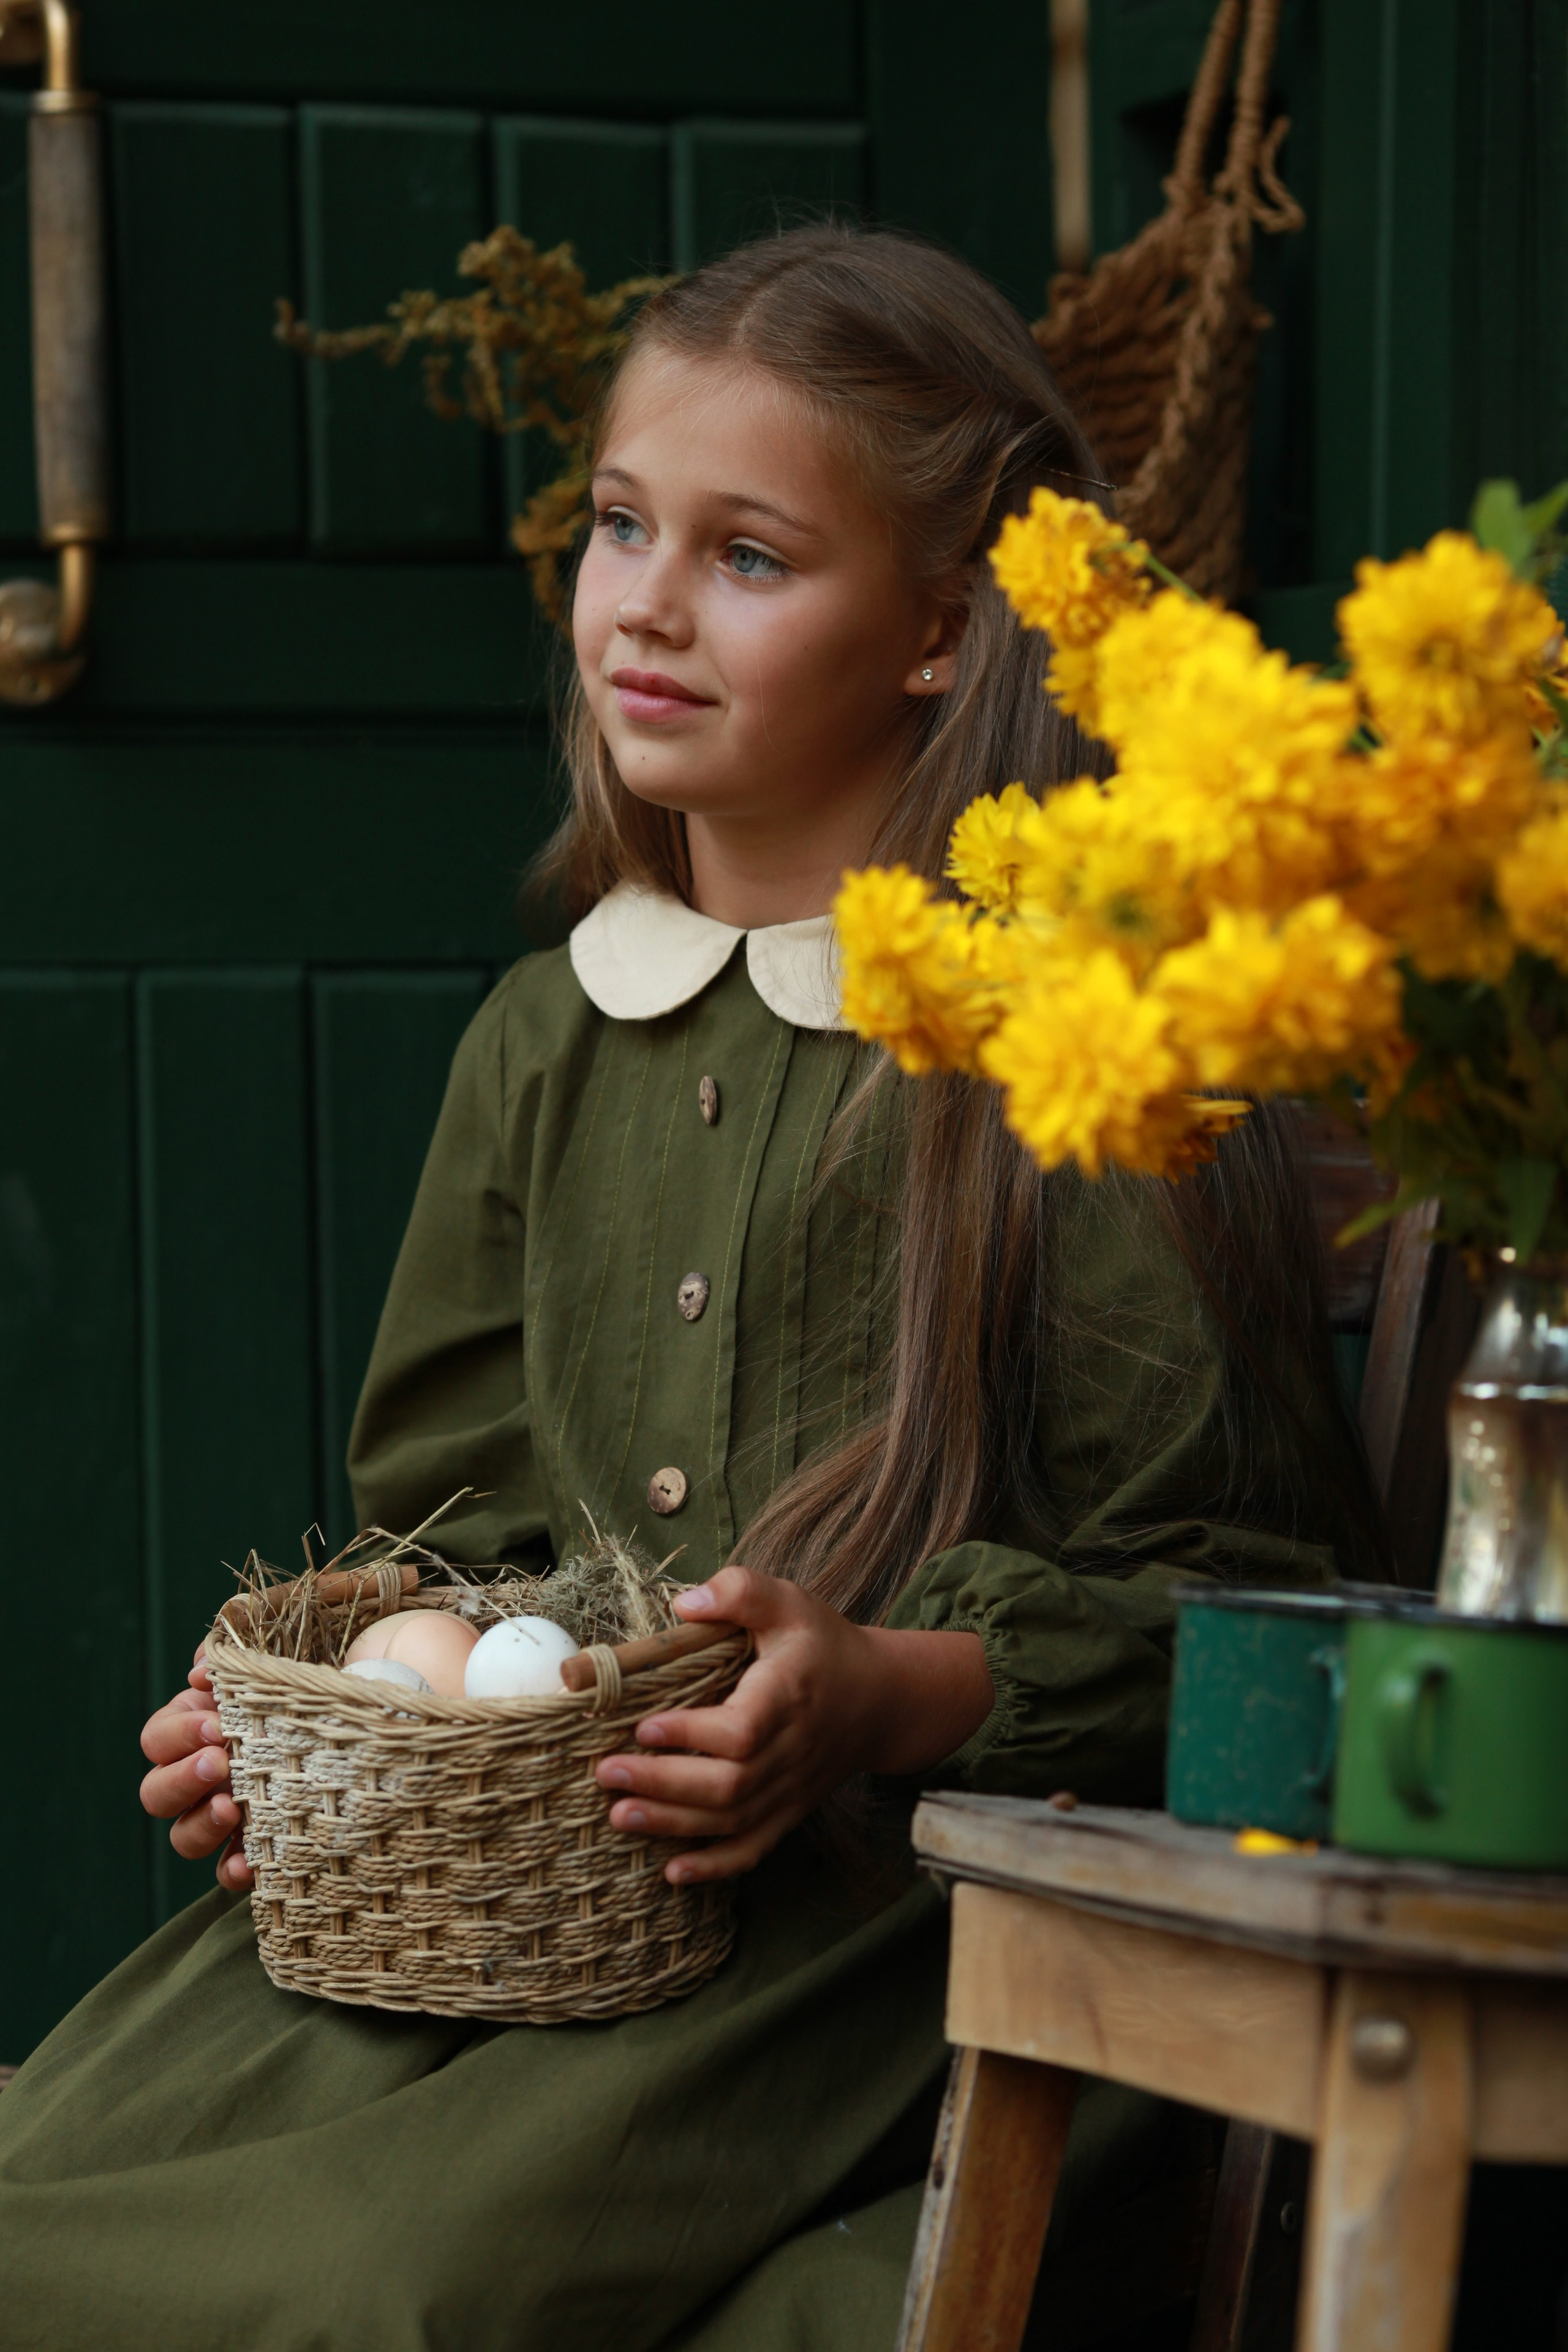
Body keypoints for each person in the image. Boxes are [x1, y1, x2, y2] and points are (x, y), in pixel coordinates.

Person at [0, 224, 1382, 2351]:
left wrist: (899, 1690)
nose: (645, 601)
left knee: (368, 2294)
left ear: (939, 629)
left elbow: (1247, 1590)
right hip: (506, 1909)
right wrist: (334, 1716)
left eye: (750, 556)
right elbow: (454, 1533)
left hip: (884, 1944)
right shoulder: (543, 1043)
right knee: (40, 2207)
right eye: (625, 526)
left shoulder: (1066, 1044)